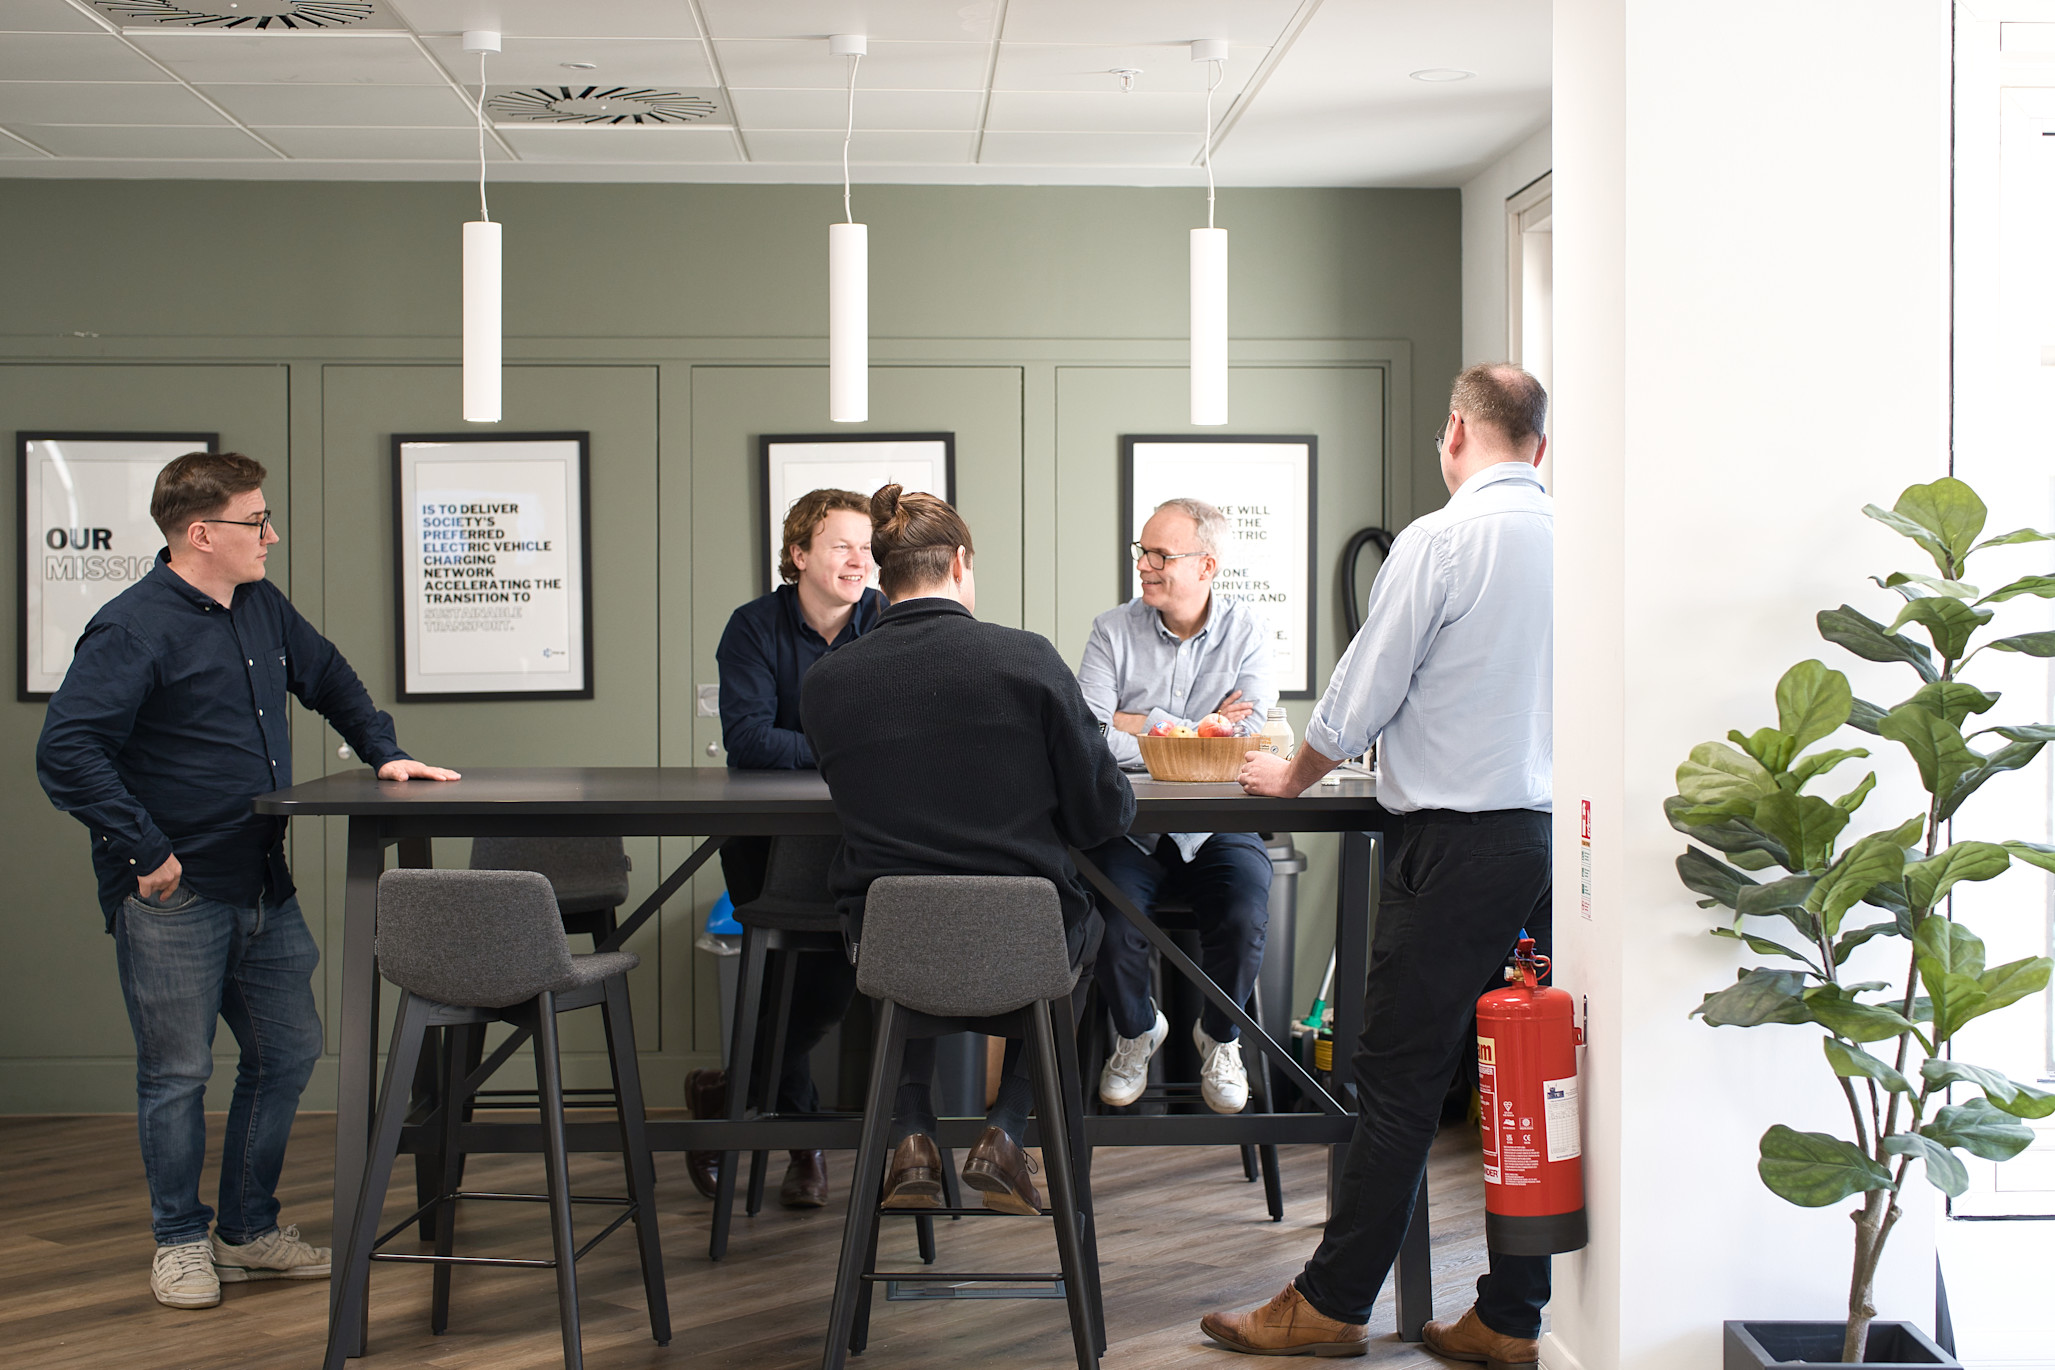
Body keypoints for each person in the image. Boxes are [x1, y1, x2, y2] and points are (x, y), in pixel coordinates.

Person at [35, 452, 459, 1312]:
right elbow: (66, 751)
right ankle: (178, 1242)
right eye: (255, 520)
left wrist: (384, 751)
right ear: (201, 534)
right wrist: (145, 850)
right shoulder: (132, 629)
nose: (271, 535)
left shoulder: (260, 605)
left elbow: (328, 676)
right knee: (177, 1075)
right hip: (175, 894)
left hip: (263, 882)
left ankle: (246, 1230)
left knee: (288, 1051)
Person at [1200, 364, 1554, 1365]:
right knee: (1528, 1078)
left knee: (1399, 1078)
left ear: (1456, 433)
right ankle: (1512, 1315)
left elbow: (1363, 689)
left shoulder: (1442, 540)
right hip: (1551, 846)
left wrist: (1294, 773)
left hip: (1453, 846)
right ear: (1540, 446)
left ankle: (1330, 1305)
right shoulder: (1576, 537)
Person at [802, 485, 1135, 1214]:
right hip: (1025, 945)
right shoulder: (1026, 660)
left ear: (883, 575)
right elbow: (1102, 813)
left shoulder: (826, 683)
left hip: (889, 943)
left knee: (910, 922)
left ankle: (911, 1137)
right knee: (1088, 930)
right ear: (959, 563)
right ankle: (1006, 1131)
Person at [685, 488, 884, 1209]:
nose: (859, 560)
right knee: (781, 980)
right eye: (842, 545)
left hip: (854, 837)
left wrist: (818, 748)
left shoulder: (886, 620)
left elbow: (896, 728)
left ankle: (726, 1095)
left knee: (827, 983)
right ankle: (805, 1147)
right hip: (765, 841)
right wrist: (848, 750)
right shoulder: (752, 627)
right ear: (798, 555)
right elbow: (747, 740)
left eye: (867, 547)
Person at [1076, 496, 1274, 1114]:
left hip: (1218, 826)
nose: (1144, 565)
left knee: (1244, 910)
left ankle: (1220, 1037)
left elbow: (1245, 739)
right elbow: (1088, 734)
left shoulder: (1247, 632)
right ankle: (1137, 1031)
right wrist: (1196, 727)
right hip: (1129, 827)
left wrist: (1137, 723)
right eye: (1143, 551)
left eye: (1161, 555)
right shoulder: (1111, 630)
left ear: (1206, 565)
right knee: (1109, 916)